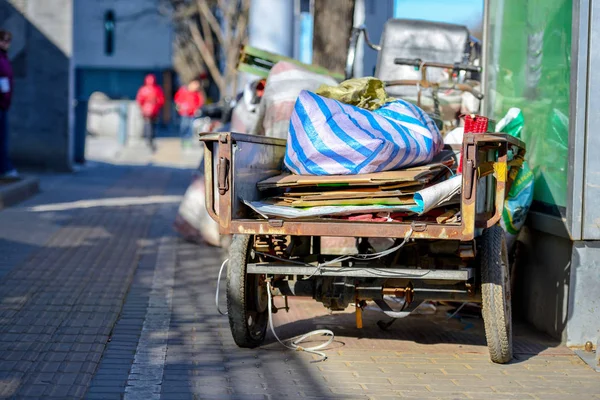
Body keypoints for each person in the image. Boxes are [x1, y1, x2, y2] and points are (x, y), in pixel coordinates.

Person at [0, 30, 17, 178]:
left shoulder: (4, 58)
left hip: (4, 104)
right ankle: (5, 168)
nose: (6, 43)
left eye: (8, 41)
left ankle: (5, 168)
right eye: (3, 40)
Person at [135, 74, 165, 151]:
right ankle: (151, 138)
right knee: (152, 125)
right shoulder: (157, 89)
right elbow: (161, 100)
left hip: (146, 110)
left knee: (148, 124)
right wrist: (156, 105)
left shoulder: (143, 89)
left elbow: (139, 100)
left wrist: (143, 107)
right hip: (154, 110)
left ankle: (148, 138)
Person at [174, 80, 204, 149]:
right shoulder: (183, 91)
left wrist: (198, 108)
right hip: (184, 112)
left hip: (193, 113)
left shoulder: (197, 93)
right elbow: (177, 99)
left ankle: (189, 142)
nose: (196, 86)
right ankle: (184, 141)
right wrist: (179, 105)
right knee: (184, 126)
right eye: (195, 84)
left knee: (191, 128)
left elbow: (200, 101)